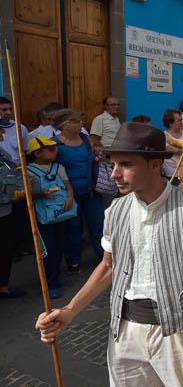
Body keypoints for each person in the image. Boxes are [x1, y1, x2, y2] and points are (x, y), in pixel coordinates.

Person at [35, 122, 183, 384]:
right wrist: (70, 310)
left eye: (126, 164)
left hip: (179, 333)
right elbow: (108, 266)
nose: (115, 173)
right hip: (125, 332)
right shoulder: (115, 211)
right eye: (113, 164)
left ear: (155, 165)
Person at [52, 109, 104, 273]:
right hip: (69, 194)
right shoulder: (54, 144)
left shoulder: (85, 139)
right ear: (65, 125)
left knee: (98, 224)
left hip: (91, 190)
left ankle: (104, 257)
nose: (81, 124)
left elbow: (95, 158)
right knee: (72, 228)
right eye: (77, 122)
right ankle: (73, 260)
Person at [26, 137, 75, 299]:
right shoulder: (28, 171)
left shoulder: (58, 167)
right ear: (37, 153)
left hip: (61, 213)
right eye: (51, 150)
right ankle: (49, 283)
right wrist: (41, 194)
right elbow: (26, 195)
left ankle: (54, 275)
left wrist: (69, 198)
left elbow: (68, 186)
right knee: (48, 249)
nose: (56, 152)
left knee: (61, 244)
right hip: (42, 217)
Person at [0, 119, 25, 299]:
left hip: (5, 207)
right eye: (0, 131)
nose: (2, 134)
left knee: (5, 248)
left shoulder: (2, 153)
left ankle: (3, 286)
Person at [0, 96, 30, 164]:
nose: (9, 113)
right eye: (4, 110)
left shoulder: (20, 128)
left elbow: (26, 151)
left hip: (17, 168)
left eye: (10, 109)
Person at [163, 109, 183, 178]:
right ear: (171, 123)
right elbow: (171, 150)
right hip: (172, 175)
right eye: (179, 120)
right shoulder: (164, 136)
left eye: (181, 119)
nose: (182, 122)